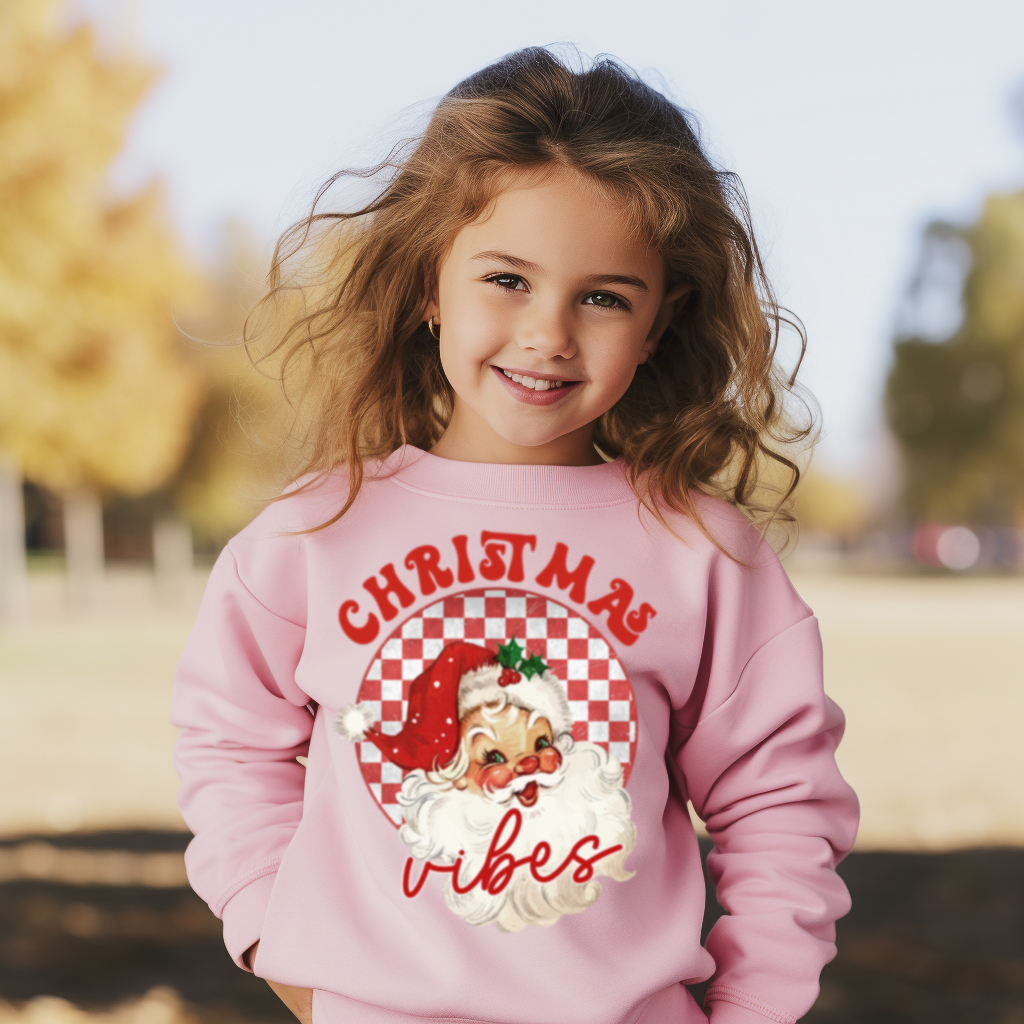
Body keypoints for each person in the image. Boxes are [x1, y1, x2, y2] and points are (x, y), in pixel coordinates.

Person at [172, 47, 859, 1024]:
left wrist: (750, 1005)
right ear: (427, 285)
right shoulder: (311, 535)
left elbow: (779, 805)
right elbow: (228, 742)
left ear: (660, 322)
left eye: (603, 295)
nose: (549, 333)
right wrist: (276, 939)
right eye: (506, 278)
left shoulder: (704, 557)